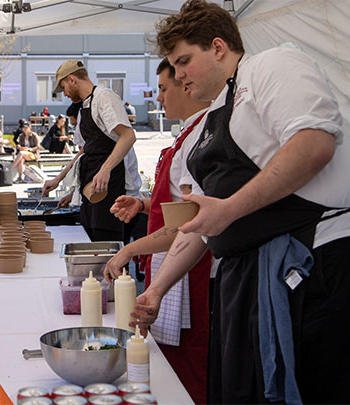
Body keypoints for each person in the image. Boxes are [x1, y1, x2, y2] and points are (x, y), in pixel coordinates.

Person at [132, 1, 350, 403]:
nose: (178, 74)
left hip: (316, 265)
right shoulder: (214, 115)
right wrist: (156, 291)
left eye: (184, 60)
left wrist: (230, 209)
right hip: (253, 281)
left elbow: (314, 142)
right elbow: (203, 222)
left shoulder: (272, 66)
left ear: (219, 47)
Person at [103, 58, 212, 404]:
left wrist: (129, 249)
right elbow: (179, 204)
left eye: (165, 88)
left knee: (189, 374)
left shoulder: (201, 139)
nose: (159, 98)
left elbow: (189, 224)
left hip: (190, 275)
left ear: (187, 84)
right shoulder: (187, 134)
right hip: (170, 269)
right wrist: (145, 204)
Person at [44, 60, 138, 241]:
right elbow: (85, 151)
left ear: (72, 79)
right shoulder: (84, 108)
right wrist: (60, 179)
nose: (64, 94)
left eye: (63, 87)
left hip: (112, 186)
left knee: (108, 243)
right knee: (92, 241)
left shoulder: (104, 97)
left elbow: (128, 136)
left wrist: (105, 169)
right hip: (93, 188)